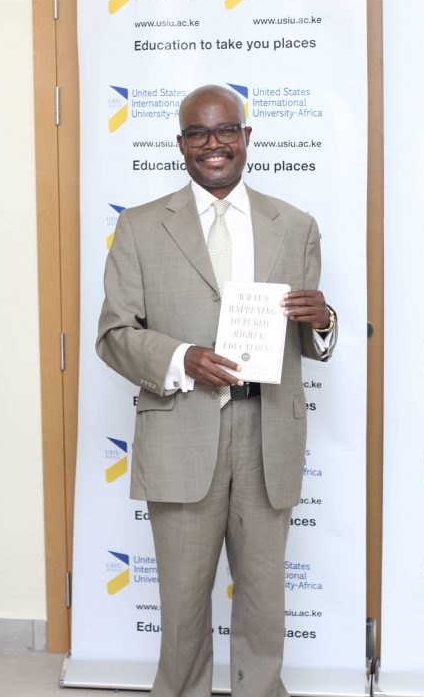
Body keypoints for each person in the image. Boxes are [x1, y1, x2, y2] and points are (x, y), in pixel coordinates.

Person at [96, 84, 337, 697]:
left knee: (263, 601)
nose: (213, 144)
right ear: (181, 144)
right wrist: (182, 358)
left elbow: (310, 341)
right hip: (182, 426)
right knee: (181, 604)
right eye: (199, 134)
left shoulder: (296, 226)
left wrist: (323, 321)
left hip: (266, 434)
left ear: (246, 137)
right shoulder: (140, 226)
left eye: (225, 130)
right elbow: (114, 335)